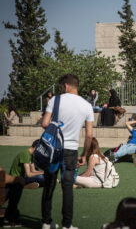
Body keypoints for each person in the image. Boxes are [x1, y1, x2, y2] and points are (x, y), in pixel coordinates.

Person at [41, 74, 94, 229]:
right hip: (71, 151)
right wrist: (84, 154)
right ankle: (67, 225)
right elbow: (89, 135)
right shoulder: (86, 106)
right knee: (67, 187)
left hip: (53, 149)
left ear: (65, 86)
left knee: (49, 185)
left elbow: (45, 123)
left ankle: (46, 222)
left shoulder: (55, 100)